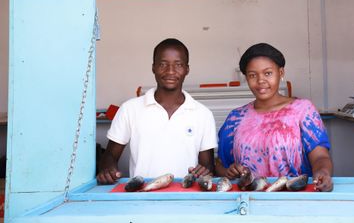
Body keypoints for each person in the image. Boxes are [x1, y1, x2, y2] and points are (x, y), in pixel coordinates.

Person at [97, 38, 217, 184]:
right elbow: (109, 155)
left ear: (187, 69)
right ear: (153, 67)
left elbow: (208, 166)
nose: (170, 71)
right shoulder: (129, 109)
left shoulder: (203, 114)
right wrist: (108, 168)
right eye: (163, 64)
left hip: (185, 197)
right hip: (141, 196)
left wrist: (205, 171)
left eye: (178, 64)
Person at [215, 43, 334, 192]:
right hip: (247, 200)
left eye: (268, 73)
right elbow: (219, 165)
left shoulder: (302, 110)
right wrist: (229, 172)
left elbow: (320, 157)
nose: (260, 81)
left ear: (281, 72)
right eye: (252, 75)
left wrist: (323, 172)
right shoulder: (235, 118)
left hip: (295, 198)